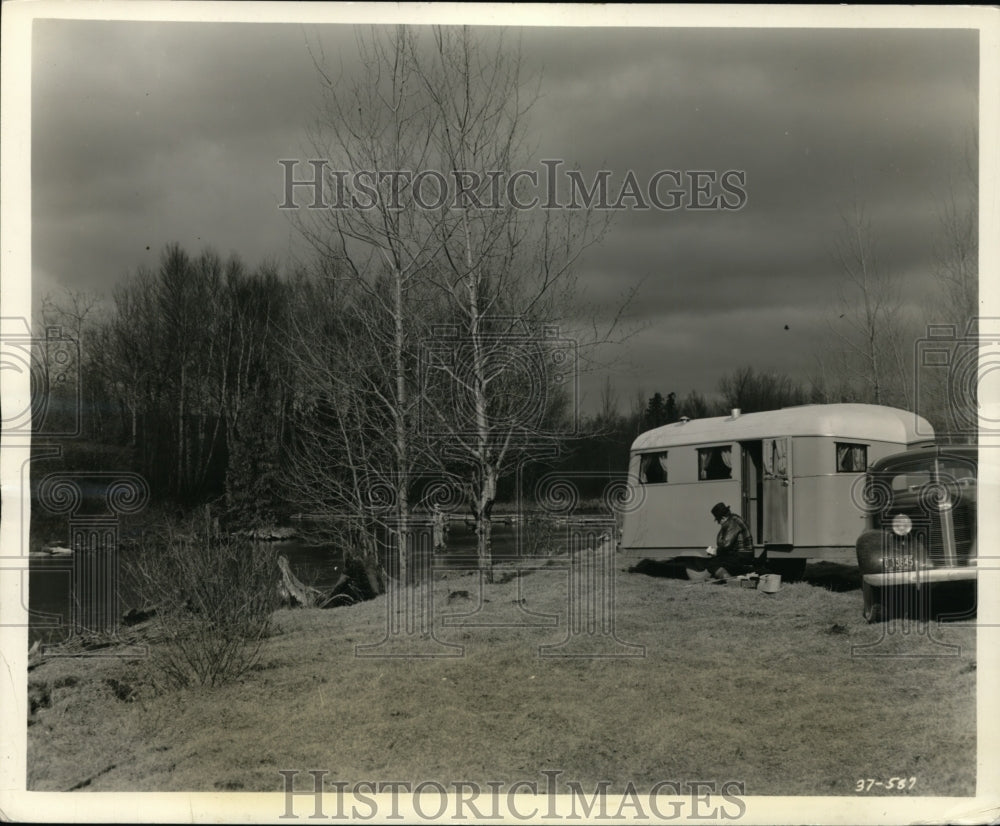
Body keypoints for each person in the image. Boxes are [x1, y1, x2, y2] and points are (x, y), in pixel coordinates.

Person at [687, 502, 756, 582]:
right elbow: (721, 542)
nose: (718, 523)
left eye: (718, 520)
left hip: (742, 555)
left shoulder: (732, 523)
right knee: (720, 560)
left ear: (723, 518)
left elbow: (725, 544)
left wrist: (715, 551)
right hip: (743, 554)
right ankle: (731, 576)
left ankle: (730, 580)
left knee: (712, 564)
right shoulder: (733, 519)